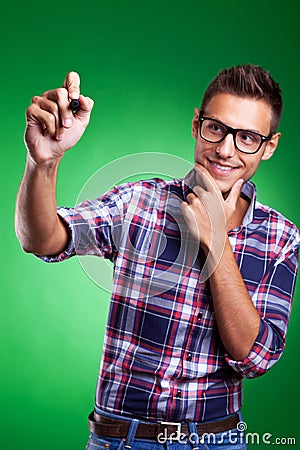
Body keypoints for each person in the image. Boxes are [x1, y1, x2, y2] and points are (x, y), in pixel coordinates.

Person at [15, 65, 299, 450]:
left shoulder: (280, 237)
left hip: (218, 441)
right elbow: (43, 239)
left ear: (269, 146)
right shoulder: (139, 203)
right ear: (197, 124)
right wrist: (43, 162)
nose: (226, 149)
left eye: (247, 137)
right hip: (120, 439)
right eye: (216, 128)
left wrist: (216, 242)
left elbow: (255, 358)